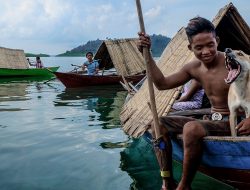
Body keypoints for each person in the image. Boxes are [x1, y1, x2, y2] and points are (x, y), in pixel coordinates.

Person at [138, 16, 250, 190]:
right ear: (190, 48)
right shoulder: (193, 67)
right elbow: (162, 84)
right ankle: (167, 180)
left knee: (191, 129)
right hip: (211, 119)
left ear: (217, 41)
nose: (206, 51)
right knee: (157, 124)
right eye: (199, 47)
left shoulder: (235, 62)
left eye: (210, 45)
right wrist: (147, 54)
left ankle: (184, 185)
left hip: (234, 122)